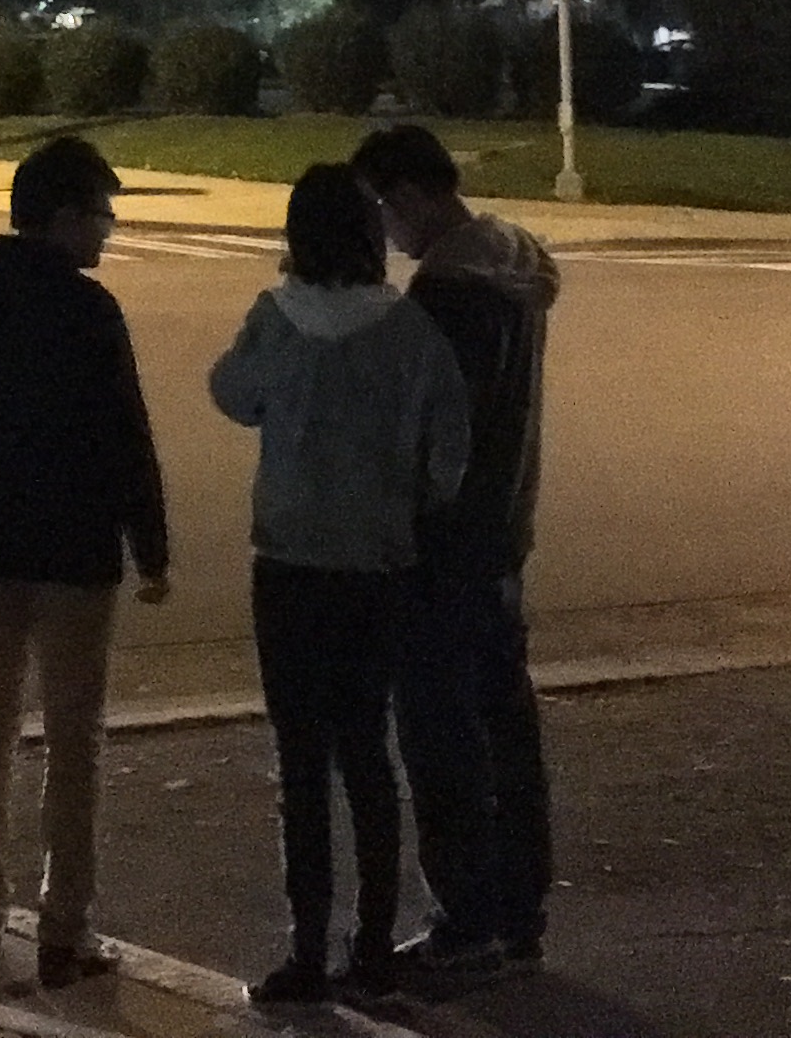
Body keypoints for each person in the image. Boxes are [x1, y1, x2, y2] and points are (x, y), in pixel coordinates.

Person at [0, 130, 171, 984]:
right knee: (72, 739)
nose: (107, 230)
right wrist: (151, 547)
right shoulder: (89, 311)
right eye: (100, 214)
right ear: (61, 217)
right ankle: (65, 928)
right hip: (76, 551)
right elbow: (127, 435)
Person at [209, 162, 469, 1005]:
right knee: (366, 753)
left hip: (289, 561)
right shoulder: (410, 330)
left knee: (301, 762)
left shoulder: (275, 317)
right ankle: (375, 943)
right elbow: (448, 453)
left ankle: (306, 949)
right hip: (376, 565)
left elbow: (232, 394)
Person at [356, 122, 563, 972]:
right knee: (505, 727)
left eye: (382, 210)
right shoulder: (514, 273)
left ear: (409, 196)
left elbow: (426, 438)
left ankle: (467, 917)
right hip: (501, 535)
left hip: (439, 549)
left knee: (440, 737)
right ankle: (518, 907)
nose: (384, 232)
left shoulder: (443, 300)